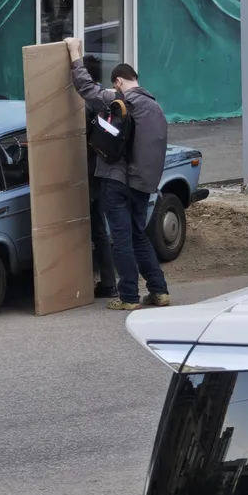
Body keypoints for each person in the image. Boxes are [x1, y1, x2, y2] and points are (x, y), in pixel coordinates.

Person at [65, 37, 170, 311]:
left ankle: (128, 297)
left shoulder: (122, 100)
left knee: (121, 238)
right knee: (139, 234)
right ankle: (159, 291)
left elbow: (86, 89)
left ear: (119, 81)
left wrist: (74, 54)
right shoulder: (156, 107)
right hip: (143, 184)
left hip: (117, 180)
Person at [83, 54, 118, 298]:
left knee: (95, 229)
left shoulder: (85, 103)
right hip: (108, 170)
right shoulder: (108, 98)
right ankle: (110, 282)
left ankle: (107, 283)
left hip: (89, 173)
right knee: (106, 228)